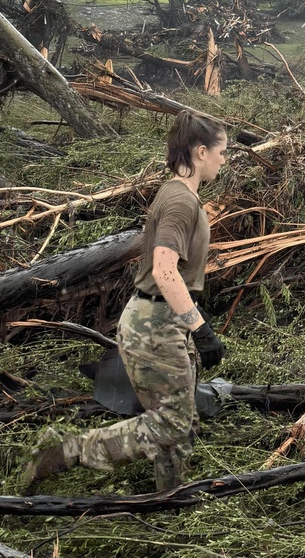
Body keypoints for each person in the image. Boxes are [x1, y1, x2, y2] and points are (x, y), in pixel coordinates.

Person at [22, 110, 228, 492]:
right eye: (221, 152)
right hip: (155, 325)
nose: (223, 160)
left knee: (178, 421)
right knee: (170, 423)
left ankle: (171, 496)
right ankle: (68, 451)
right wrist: (199, 328)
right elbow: (164, 270)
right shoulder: (181, 202)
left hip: (161, 320)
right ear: (201, 152)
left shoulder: (177, 193)